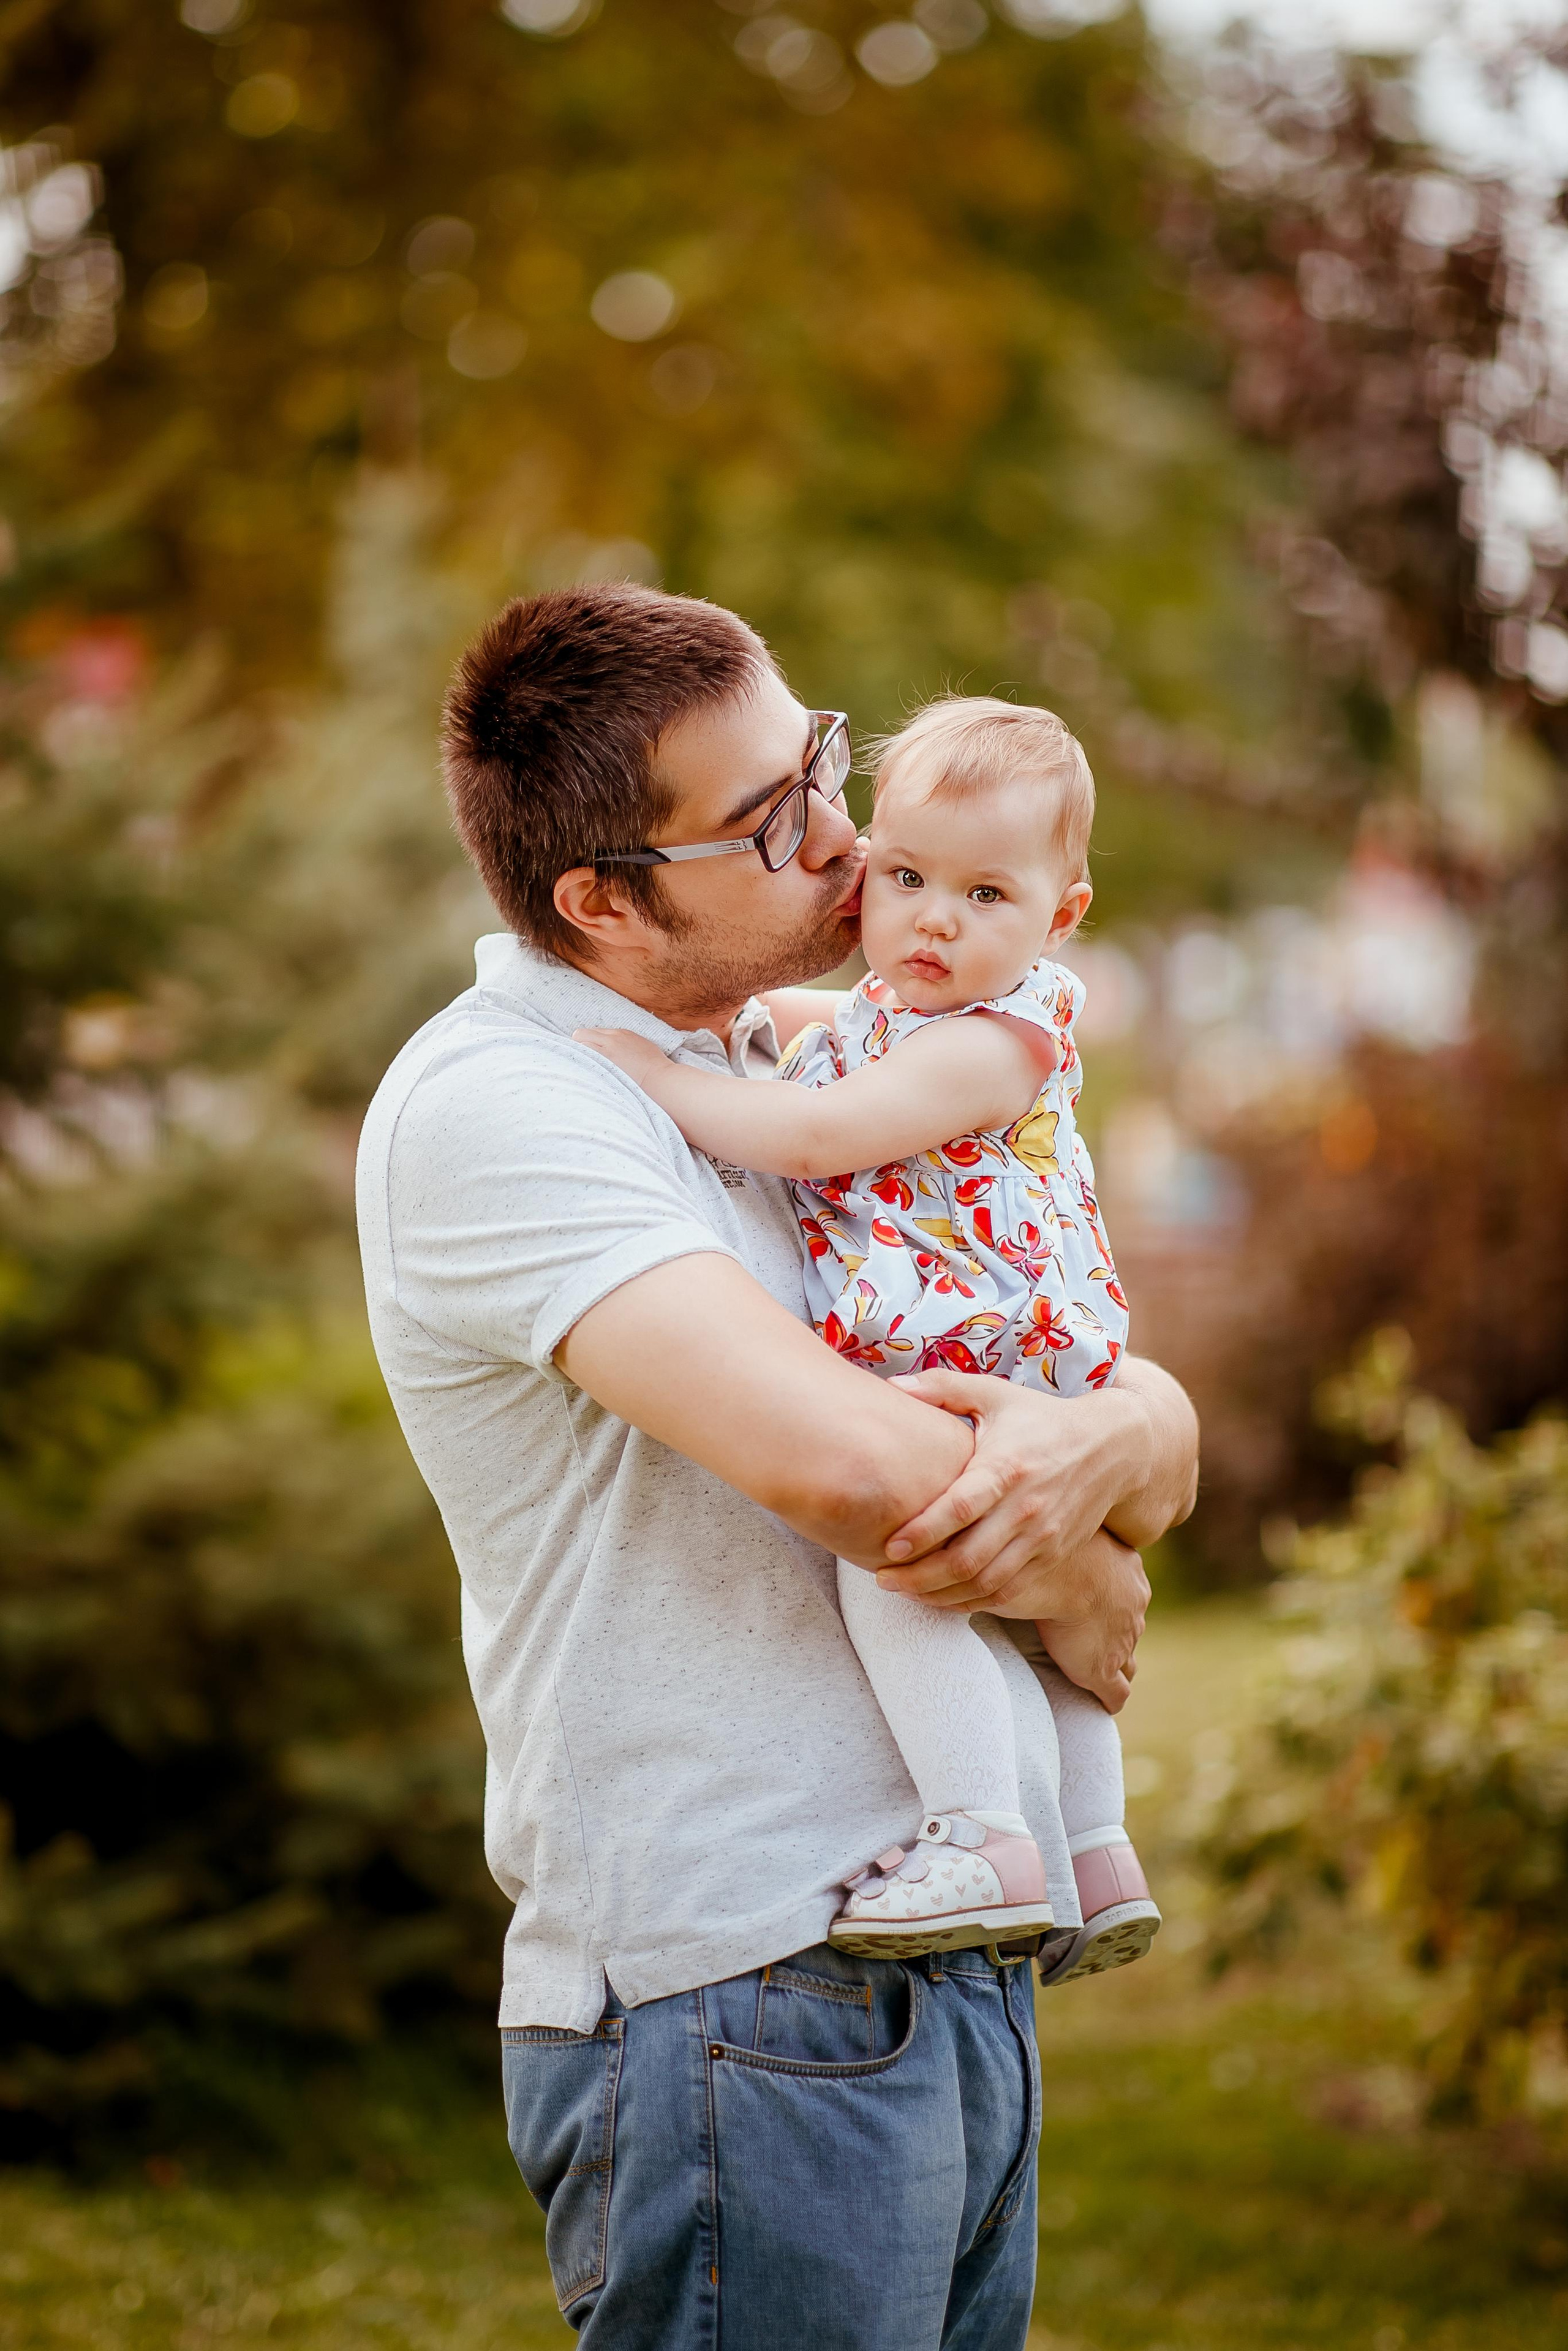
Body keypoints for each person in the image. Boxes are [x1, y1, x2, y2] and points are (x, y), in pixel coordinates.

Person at [356, 583, 1199, 2351]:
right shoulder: (517, 1104)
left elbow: (1075, 1378)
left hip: (948, 1952)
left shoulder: (791, 1050)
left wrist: (1132, 1431)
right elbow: (859, 1472)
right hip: (736, 1986)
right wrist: (1100, 1560)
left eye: (821, 760)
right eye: (768, 819)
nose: (841, 840)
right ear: (600, 894)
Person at [575, 695, 1156, 1985]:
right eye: (904, 875)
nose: (932, 918)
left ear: (1059, 916)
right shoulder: (905, 1013)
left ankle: (984, 1833)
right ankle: (1096, 1853)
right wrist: (755, 1022)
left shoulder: (998, 1044)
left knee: (894, 1576)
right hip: (1004, 1345)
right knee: (1017, 1617)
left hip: (967, 1344)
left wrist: (660, 1076)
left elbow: (819, 1135)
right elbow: (816, 1029)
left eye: (984, 894)